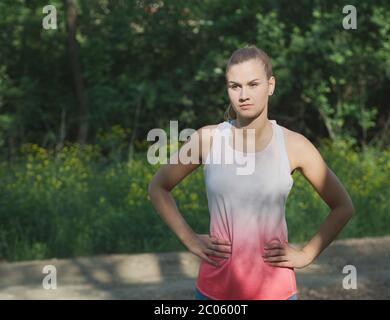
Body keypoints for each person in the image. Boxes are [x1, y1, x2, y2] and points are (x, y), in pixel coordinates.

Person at [148, 45, 355, 300]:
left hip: (276, 292)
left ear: (271, 85)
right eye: (235, 86)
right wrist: (188, 237)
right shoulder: (208, 139)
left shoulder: (294, 145)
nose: (243, 95)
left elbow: (343, 206)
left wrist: (306, 254)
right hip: (214, 291)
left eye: (253, 84)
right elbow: (158, 187)